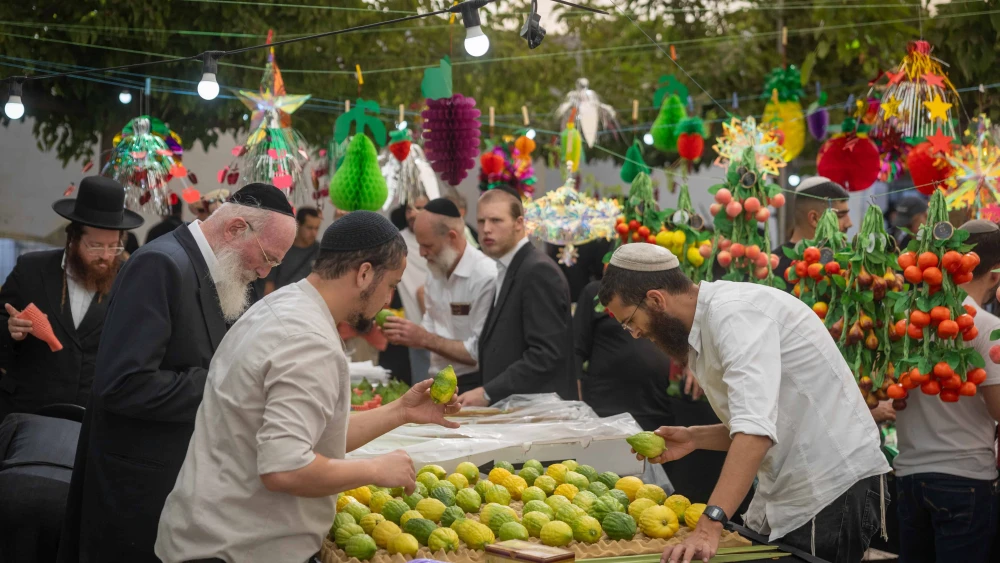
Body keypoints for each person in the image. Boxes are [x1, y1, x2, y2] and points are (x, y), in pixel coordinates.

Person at [154, 212, 460, 562]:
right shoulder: (307, 340)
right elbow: (285, 468)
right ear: (364, 273)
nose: (388, 300)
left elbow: (313, 436)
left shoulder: (284, 305)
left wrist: (401, 411)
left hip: (210, 539)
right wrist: (375, 469)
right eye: (391, 285)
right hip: (235, 551)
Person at [598, 243, 890, 563]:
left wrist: (710, 524)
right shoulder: (703, 329)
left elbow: (756, 431)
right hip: (791, 491)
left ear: (655, 299)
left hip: (831, 489)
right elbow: (763, 422)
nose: (634, 334)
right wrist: (695, 438)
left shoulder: (734, 315)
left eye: (629, 321)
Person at [57, 183, 297, 563]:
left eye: (276, 264)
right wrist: (228, 383)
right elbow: (123, 385)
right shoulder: (162, 264)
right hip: (134, 487)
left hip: (170, 480)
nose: (265, 270)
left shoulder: (211, 268)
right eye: (267, 256)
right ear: (236, 228)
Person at [893, 220, 1000, 563]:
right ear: (995, 275)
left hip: (909, 475)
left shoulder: (909, 320)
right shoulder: (985, 326)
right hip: (965, 478)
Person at [1, 176, 143, 421]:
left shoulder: (129, 282)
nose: (106, 256)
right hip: (26, 413)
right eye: (96, 245)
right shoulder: (31, 269)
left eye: (115, 247)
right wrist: (11, 330)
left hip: (89, 421)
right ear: (74, 239)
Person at [458, 188, 576, 406]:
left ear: (519, 223)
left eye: (496, 220)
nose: (486, 229)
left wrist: (487, 393)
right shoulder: (510, 266)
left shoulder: (537, 271)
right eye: (481, 221)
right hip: (516, 411)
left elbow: (545, 355)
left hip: (539, 415)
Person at [383, 198, 497, 394]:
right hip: (440, 383)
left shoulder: (485, 275)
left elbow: (480, 352)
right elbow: (431, 326)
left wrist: (424, 338)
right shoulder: (436, 273)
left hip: (475, 387)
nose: (422, 253)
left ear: (452, 237)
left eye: (428, 246)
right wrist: (406, 335)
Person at [774, 177, 852, 284]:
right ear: (814, 219)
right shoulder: (772, 267)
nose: (850, 223)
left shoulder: (845, 264)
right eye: (840, 216)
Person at [399, 195, 431, 381]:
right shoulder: (398, 242)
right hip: (416, 336)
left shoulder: (446, 239)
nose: (412, 213)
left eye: (419, 207)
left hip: (450, 336)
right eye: (409, 209)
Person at [262, 206, 322, 295]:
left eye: (316, 228)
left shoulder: (321, 252)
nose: (314, 233)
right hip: (280, 301)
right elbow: (269, 285)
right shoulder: (282, 248)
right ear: (298, 225)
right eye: (309, 228)